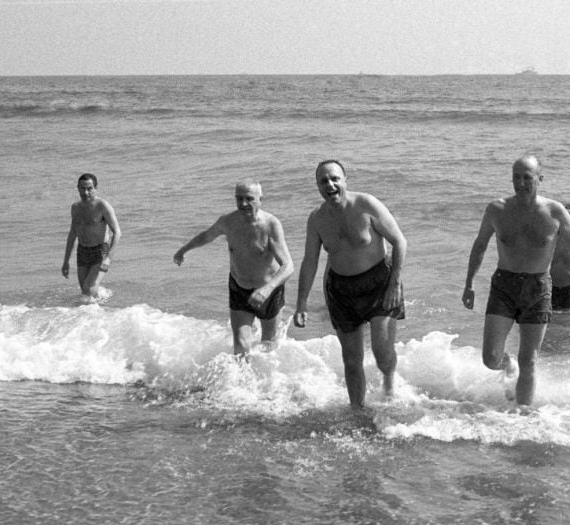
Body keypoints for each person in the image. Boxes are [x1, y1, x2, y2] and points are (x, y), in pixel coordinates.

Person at [461, 156, 570, 406]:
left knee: (530, 360)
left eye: (527, 177)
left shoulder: (555, 212)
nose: (520, 183)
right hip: (504, 286)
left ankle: (524, 416)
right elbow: (480, 245)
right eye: (516, 177)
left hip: (538, 288)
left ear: (540, 179)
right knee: (490, 358)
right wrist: (469, 283)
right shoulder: (497, 209)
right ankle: (508, 365)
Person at [294, 160, 407, 408]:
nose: (330, 184)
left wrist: (394, 284)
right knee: (351, 360)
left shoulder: (366, 204)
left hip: (379, 284)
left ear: (345, 180)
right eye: (323, 181)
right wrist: (301, 303)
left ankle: (389, 380)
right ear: (317, 187)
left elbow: (399, 241)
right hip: (341, 291)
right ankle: (357, 410)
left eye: (335, 178)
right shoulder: (316, 219)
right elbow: (310, 262)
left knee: (382, 354)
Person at [173, 180, 293, 357]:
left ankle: (268, 383)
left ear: (261, 199)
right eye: (239, 199)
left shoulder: (270, 224)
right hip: (239, 288)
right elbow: (206, 236)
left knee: (269, 346)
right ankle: (240, 384)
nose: (243, 204)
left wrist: (266, 290)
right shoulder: (228, 222)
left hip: (269, 291)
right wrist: (184, 250)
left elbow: (288, 266)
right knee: (241, 345)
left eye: (249, 199)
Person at [62, 173, 122, 298]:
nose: (86, 192)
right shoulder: (75, 207)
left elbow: (117, 232)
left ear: (95, 188)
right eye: (82, 188)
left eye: (89, 188)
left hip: (100, 251)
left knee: (88, 291)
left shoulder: (102, 206)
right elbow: (72, 234)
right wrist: (66, 261)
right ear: (78, 188)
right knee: (86, 293)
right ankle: (101, 310)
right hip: (82, 251)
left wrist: (108, 258)